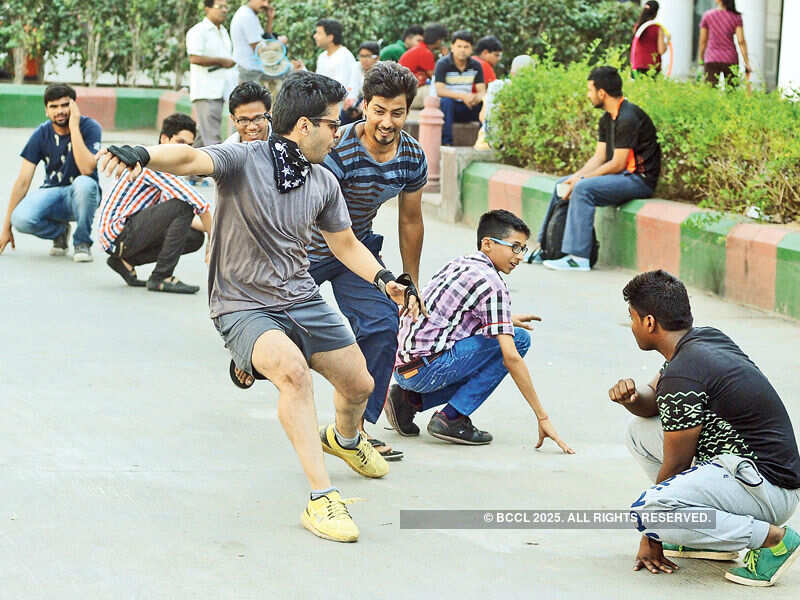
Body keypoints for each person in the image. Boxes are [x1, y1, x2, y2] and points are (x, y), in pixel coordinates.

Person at [97, 71, 421, 544]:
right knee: (292, 372)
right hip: (242, 303)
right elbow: (189, 157)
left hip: (300, 296)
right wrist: (144, 154)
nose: (339, 132)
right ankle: (320, 498)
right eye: (333, 124)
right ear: (305, 125)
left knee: (359, 384)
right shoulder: (243, 159)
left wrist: (386, 279)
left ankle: (345, 440)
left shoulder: (325, 182)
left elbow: (346, 242)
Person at [609, 270, 800, 586]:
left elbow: (676, 464)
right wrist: (631, 398)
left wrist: (651, 534)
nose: (631, 326)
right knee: (639, 432)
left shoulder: (684, 374)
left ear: (649, 323)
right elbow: (651, 401)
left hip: (768, 489)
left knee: (649, 512)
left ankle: (774, 541)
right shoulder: (702, 341)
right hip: (752, 472)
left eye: (632, 318)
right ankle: (705, 539)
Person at [308, 62, 427, 461]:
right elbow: (321, 218)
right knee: (278, 325)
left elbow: (410, 220)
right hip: (305, 248)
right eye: (379, 110)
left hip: (356, 253)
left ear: (408, 112)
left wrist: (409, 280)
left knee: (382, 324)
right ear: (363, 106)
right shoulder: (336, 148)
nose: (387, 121)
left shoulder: (412, 156)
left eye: (397, 112)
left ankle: (352, 431)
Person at [386, 209, 573, 452]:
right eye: (515, 247)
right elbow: (511, 357)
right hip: (426, 370)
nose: (519, 257)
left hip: (404, 369)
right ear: (487, 244)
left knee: (494, 344)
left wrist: (506, 319)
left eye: (523, 249)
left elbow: (451, 315)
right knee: (519, 341)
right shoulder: (492, 283)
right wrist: (542, 417)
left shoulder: (462, 263)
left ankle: (408, 400)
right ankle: (451, 417)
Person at [536, 66, 660, 272]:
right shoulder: (606, 118)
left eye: (590, 90)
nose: (588, 95)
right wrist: (575, 177)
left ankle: (579, 257)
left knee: (583, 189)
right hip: (621, 176)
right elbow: (599, 157)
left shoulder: (628, 117)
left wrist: (582, 181)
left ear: (601, 93)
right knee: (562, 184)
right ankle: (547, 249)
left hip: (638, 179)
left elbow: (618, 163)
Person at [98, 114, 210, 293]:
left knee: (195, 237)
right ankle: (161, 277)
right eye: (181, 143)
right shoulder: (152, 164)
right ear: (165, 139)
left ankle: (126, 262)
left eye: (190, 146)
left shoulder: (165, 168)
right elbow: (199, 204)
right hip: (118, 235)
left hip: (124, 235)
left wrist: (210, 228)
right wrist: (216, 241)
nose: (186, 150)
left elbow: (180, 216)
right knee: (183, 207)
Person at [0, 83, 101, 261]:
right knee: (20, 219)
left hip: (82, 196)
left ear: (74, 106)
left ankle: (82, 242)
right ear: (46, 111)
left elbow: (87, 169)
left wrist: (74, 126)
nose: (59, 111)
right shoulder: (41, 133)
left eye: (65, 105)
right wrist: (6, 228)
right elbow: (23, 181)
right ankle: (60, 232)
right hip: (53, 194)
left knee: (84, 183)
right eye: (53, 107)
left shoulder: (90, 127)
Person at [186, 0, 235, 148]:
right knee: (212, 139)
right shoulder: (198, 31)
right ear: (207, 9)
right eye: (220, 7)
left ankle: (187, 169)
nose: (224, 10)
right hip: (206, 91)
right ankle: (218, 170)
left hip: (222, 90)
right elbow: (194, 58)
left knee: (203, 138)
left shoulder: (223, 31)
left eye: (226, 7)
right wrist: (221, 61)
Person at [434, 30, 485, 147]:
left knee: (485, 103)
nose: (462, 50)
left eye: (466, 47)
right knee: (447, 102)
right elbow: (440, 91)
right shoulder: (443, 64)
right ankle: (447, 142)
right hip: (448, 108)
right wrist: (463, 96)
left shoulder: (476, 66)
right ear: (452, 47)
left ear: (471, 49)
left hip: (468, 106)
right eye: (459, 46)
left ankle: (485, 141)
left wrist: (475, 98)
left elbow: (482, 91)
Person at [475, 54, 533, 151]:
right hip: (507, 146)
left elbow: (482, 117)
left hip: (485, 144)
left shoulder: (497, 87)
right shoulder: (534, 92)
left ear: (511, 73)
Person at [231, 0, 288, 96]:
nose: (265, 4)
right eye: (262, 0)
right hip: (250, 71)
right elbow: (260, 50)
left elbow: (265, 40)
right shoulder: (247, 16)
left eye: (268, 1)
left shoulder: (250, 14)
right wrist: (280, 43)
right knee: (291, 71)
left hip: (254, 69)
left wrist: (270, 19)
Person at [311, 19, 361, 115]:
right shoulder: (322, 57)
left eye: (319, 33)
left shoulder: (344, 56)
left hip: (339, 112)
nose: (315, 36)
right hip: (323, 109)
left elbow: (342, 87)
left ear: (330, 37)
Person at [698, 0, 752, 87]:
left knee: (710, 93)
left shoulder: (708, 16)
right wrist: (747, 63)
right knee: (731, 92)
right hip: (730, 59)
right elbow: (741, 41)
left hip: (712, 58)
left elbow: (703, 41)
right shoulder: (736, 17)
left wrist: (701, 59)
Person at [399, 23, 448, 109]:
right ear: (437, 40)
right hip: (407, 96)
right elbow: (436, 77)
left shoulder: (421, 48)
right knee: (441, 91)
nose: (441, 43)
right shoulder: (425, 52)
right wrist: (446, 57)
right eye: (441, 40)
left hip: (403, 93)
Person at [340, 41, 380, 125]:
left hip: (375, 100)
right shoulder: (356, 67)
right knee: (344, 112)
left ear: (377, 58)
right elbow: (353, 87)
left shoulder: (381, 70)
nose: (364, 59)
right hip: (361, 99)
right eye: (361, 56)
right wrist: (350, 102)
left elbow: (375, 94)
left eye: (368, 56)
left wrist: (361, 108)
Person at [631, 1, 667, 76]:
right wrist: (667, 40)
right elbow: (661, 50)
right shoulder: (657, 28)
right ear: (656, 12)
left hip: (637, 64)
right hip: (653, 66)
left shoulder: (637, 27)